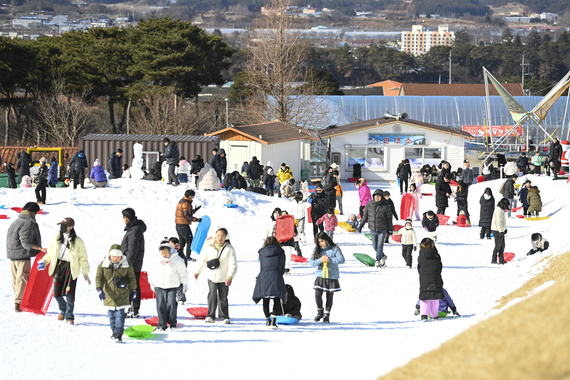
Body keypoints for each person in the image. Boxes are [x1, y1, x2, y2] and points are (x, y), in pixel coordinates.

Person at [38, 218, 90, 324]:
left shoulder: (78, 241)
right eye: (61, 225)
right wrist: (43, 261)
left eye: (64, 225)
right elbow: (50, 253)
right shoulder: (55, 237)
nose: (62, 227)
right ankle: (64, 309)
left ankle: (69, 316)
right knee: (57, 294)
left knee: (70, 294)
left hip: (71, 268)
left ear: (70, 227)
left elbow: (83, 258)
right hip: (58, 266)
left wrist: (85, 273)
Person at [6, 202, 47, 312]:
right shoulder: (27, 223)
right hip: (22, 255)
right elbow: (26, 243)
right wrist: (40, 249)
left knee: (16, 279)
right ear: (33, 212)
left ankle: (17, 301)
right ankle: (19, 303)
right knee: (22, 279)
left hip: (12, 254)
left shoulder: (16, 222)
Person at [194, 228, 238, 324]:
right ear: (215, 235)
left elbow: (233, 264)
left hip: (224, 277)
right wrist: (197, 271)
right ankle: (210, 316)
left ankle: (224, 317)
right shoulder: (208, 246)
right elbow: (203, 260)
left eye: (222, 236)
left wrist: (230, 276)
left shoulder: (229, 248)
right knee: (212, 295)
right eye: (218, 235)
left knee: (223, 297)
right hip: (212, 276)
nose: (220, 238)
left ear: (226, 237)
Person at [95, 244, 137, 343]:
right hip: (109, 295)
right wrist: (99, 289)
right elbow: (99, 278)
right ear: (110, 255)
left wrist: (133, 290)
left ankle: (119, 333)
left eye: (118, 257)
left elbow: (132, 278)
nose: (115, 259)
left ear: (121, 256)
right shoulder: (103, 265)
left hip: (122, 294)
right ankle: (114, 331)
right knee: (111, 315)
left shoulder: (127, 265)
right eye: (114, 256)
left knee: (120, 315)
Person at [150, 242, 188, 331]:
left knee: (171, 303)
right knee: (160, 304)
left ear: (170, 251)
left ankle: (172, 322)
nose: (164, 255)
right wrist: (152, 283)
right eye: (162, 253)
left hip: (172, 285)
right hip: (159, 285)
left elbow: (183, 273)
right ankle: (162, 324)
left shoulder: (177, 260)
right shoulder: (155, 260)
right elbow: (151, 272)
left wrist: (184, 284)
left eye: (166, 252)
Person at [310, 232, 345, 323]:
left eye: (322, 241)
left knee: (329, 296)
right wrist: (320, 260)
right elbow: (311, 262)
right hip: (321, 275)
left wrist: (330, 259)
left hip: (332, 275)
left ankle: (327, 314)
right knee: (317, 294)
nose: (321, 244)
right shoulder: (317, 249)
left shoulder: (335, 248)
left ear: (326, 239)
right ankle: (320, 311)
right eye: (319, 242)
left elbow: (341, 260)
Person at [252, 236, 286, 329]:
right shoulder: (280, 251)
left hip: (263, 275)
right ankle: (274, 322)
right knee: (277, 298)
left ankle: (267, 320)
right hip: (276, 274)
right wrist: (281, 273)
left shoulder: (261, 252)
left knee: (265, 299)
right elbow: (283, 264)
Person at [121, 208, 147, 318]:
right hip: (131, 263)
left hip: (132, 264)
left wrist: (128, 265)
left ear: (126, 218)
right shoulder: (133, 229)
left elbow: (132, 251)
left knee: (133, 286)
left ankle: (134, 310)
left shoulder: (134, 231)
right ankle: (132, 309)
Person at [358, 189, 392, 268]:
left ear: (381, 197)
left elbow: (389, 218)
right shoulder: (369, 204)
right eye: (375, 196)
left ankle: (378, 260)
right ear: (373, 196)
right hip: (372, 228)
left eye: (379, 196)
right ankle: (383, 256)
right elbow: (365, 215)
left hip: (382, 229)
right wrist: (361, 224)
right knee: (374, 245)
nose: (377, 198)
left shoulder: (385, 206)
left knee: (380, 245)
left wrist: (390, 228)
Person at [417, 237, 444, 322]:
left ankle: (424, 316)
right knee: (435, 298)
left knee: (424, 297)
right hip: (436, 278)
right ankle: (434, 316)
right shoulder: (436, 255)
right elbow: (440, 267)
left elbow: (419, 268)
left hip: (424, 279)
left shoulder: (421, 256)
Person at [175, 189, 202, 262]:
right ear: (190, 196)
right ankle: (187, 257)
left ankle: (179, 255)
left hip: (179, 224)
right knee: (189, 240)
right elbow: (186, 215)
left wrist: (195, 210)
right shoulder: (186, 203)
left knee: (182, 241)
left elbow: (186, 212)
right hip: (183, 225)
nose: (193, 197)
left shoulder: (183, 201)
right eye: (193, 196)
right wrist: (196, 219)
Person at [490, 198, 510, 264]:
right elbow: (499, 222)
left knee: (502, 245)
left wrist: (504, 229)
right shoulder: (498, 210)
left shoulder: (501, 210)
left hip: (500, 230)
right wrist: (501, 231)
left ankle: (501, 260)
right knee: (498, 246)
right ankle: (493, 260)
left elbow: (503, 221)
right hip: (497, 230)